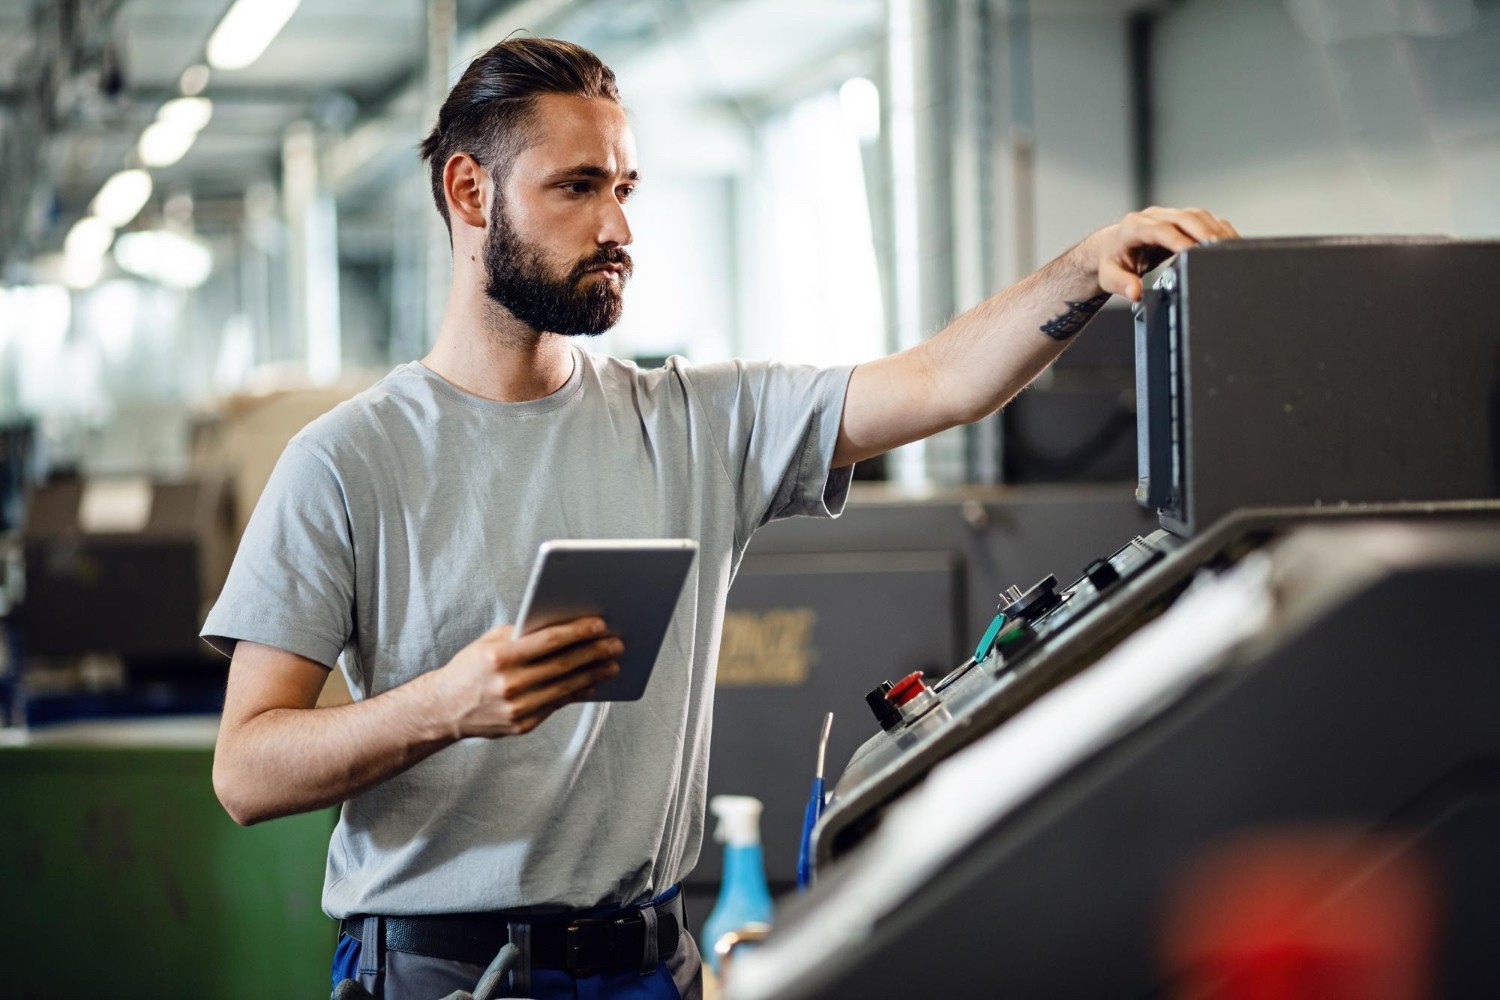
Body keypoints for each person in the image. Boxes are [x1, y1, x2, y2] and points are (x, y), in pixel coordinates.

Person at [204, 36, 1238, 1000]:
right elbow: (246, 769)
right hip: (443, 973)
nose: (618, 228)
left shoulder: (700, 420)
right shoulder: (345, 460)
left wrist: (1086, 265)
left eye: (624, 188)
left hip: (650, 964)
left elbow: (940, 381)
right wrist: (446, 704)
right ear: (469, 191)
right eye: (577, 187)